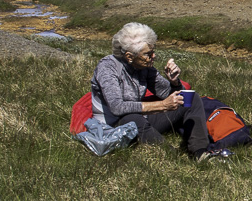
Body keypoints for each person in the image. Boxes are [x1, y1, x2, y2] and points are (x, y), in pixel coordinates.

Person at [90, 22, 219, 157]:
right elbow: (117, 108)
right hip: (113, 126)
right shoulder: (107, 67)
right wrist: (162, 106)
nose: (154, 56)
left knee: (189, 98)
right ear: (129, 56)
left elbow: (167, 94)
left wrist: (174, 81)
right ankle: (170, 155)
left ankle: (200, 152)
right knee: (133, 119)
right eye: (148, 54)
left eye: (153, 51)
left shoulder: (145, 67)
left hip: (141, 118)